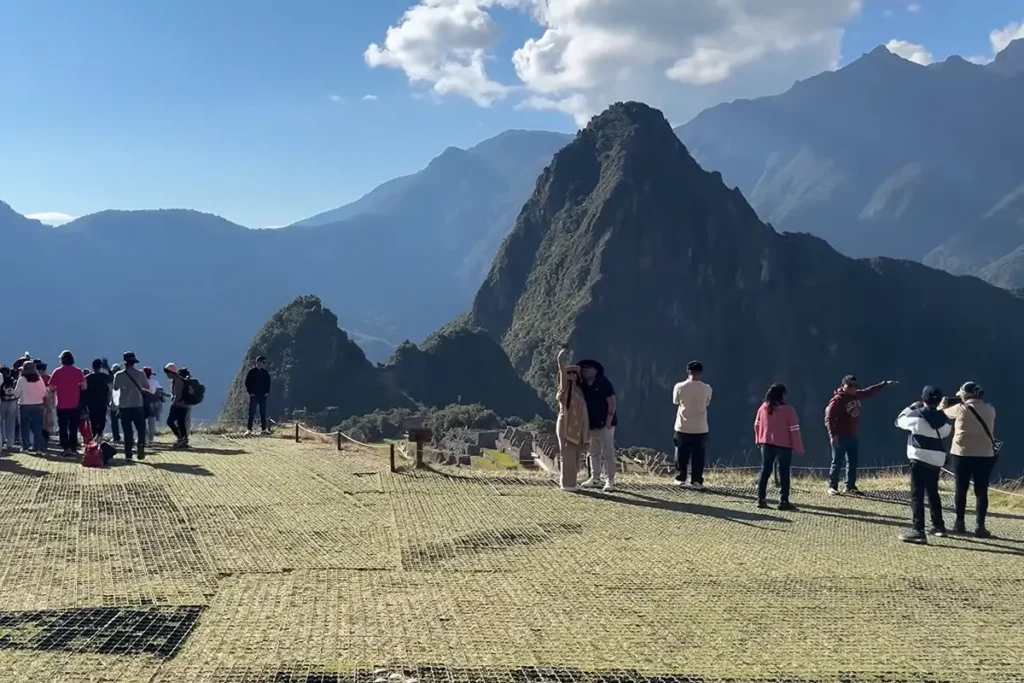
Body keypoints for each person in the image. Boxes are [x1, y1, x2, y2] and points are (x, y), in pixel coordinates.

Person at [895, 387, 953, 544]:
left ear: (924, 398)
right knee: (933, 493)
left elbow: (899, 421)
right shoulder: (944, 419)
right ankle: (939, 527)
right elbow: (947, 430)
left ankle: (918, 530)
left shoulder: (916, 415)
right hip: (937, 460)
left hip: (919, 458)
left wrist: (912, 407)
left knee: (917, 495)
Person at [824, 374, 898, 495]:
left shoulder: (856, 395)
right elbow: (829, 418)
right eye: (850, 385)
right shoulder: (837, 400)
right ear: (843, 385)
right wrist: (833, 435)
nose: (853, 388)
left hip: (853, 434)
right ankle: (832, 486)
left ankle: (850, 486)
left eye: (855, 386)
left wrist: (884, 384)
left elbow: (869, 391)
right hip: (841, 435)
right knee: (837, 461)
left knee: (852, 461)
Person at [941, 382, 998, 538]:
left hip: (962, 454)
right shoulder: (991, 409)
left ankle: (959, 523)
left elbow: (943, 412)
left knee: (961, 489)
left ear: (965, 395)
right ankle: (980, 526)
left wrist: (944, 404)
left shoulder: (960, 409)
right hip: (985, 455)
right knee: (981, 491)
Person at [754, 383, 803, 510]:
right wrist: (798, 446)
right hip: (784, 445)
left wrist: (758, 439)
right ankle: (783, 501)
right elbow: (794, 429)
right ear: (782, 395)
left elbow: (757, 425)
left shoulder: (763, 407)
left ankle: (761, 499)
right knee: (784, 473)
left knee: (765, 471)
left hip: (766, 443)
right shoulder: (788, 410)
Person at [577, 359, 617, 492]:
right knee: (593, 452)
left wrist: (608, 423)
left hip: (605, 424)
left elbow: (612, 402)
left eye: (589, 368)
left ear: (595, 370)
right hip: (591, 424)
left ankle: (610, 480)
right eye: (583, 369)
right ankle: (595, 478)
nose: (586, 371)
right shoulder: (583, 385)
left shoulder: (603, 383)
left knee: (608, 453)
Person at [673, 360, 713, 490]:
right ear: (701, 373)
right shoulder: (707, 388)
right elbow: (707, 403)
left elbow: (675, 401)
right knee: (698, 456)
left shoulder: (679, 386)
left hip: (682, 426)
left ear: (688, 371)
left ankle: (680, 478)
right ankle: (696, 480)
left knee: (681, 453)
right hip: (701, 427)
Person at [555, 348, 590, 492]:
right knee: (567, 455)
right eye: (569, 373)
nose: (571, 376)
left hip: (577, 429)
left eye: (574, 374)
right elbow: (563, 375)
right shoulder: (564, 391)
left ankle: (572, 482)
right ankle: (566, 484)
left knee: (575, 456)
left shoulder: (579, 392)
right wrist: (560, 361)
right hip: (566, 425)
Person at [113, 352, 152, 460]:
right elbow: (147, 386)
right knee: (141, 428)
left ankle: (128, 454)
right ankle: (140, 447)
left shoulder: (118, 375)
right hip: (138, 405)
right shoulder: (141, 374)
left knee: (127, 431)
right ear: (134, 362)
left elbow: (115, 388)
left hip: (124, 406)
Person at [48, 350, 87, 457]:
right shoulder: (78, 371)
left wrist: (59, 387)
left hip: (61, 404)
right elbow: (84, 386)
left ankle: (65, 447)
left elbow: (51, 387)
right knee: (73, 427)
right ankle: (73, 446)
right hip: (75, 404)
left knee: (63, 427)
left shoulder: (57, 372)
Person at [14, 361, 47, 453]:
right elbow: (44, 393)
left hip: (24, 405)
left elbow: (16, 394)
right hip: (38, 405)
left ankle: (25, 446)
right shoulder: (39, 379)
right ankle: (38, 448)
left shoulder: (21, 379)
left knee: (24, 427)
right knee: (37, 427)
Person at [84, 358, 112, 440]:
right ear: (100, 367)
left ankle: (95, 435)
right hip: (102, 402)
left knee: (93, 420)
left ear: (92, 367)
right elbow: (112, 378)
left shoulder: (88, 378)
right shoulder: (104, 376)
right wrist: (108, 368)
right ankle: (99, 434)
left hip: (91, 403)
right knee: (102, 420)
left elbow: (84, 390)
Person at [164, 363, 191, 449]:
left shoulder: (177, 380)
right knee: (180, 422)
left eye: (167, 373)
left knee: (170, 421)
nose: (167, 375)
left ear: (171, 372)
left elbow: (178, 395)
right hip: (184, 405)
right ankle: (183, 439)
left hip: (179, 405)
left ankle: (181, 438)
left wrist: (174, 403)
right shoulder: (179, 379)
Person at [245, 356, 272, 435]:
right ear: (258, 362)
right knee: (252, 412)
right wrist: (250, 392)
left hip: (263, 395)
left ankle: (264, 429)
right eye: (263, 362)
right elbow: (247, 383)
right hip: (254, 395)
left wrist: (267, 392)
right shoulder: (251, 372)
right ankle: (249, 429)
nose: (264, 364)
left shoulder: (265, 373)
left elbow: (268, 383)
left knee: (263, 412)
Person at [143, 366, 164, 445]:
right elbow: (158, 392)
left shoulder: (140, 382)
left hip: (142, 403)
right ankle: (151, 439)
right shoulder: (155, 382)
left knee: (142, 421)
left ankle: (144, 438)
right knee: (151, 421)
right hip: (152, 403)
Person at [0, 366, 17, 452]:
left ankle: (2, 441)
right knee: (10, 423)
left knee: (1, 423)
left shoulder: (1, 381)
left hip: (2, 402)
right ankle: (10, 443)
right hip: (12, 402)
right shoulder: (13, 381)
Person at [108, 362, 122, 442]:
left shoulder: (111, 381)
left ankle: (116, 437)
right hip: (123, 403)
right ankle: (129, 436)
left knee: (114, 422)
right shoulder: (123, 378)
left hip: (114, 403)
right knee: (126, 422)